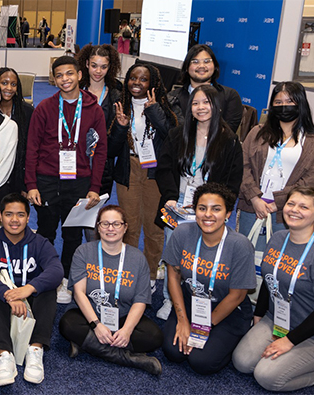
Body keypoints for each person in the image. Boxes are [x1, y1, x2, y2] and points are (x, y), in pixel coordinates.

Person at [233, 187, 314, 391]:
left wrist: (289, 341)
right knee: (242, 362)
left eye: (304, 207)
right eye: (291, 204)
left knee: (267, 376)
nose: (294, 210)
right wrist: (259, 315)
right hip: (278, 320)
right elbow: (270, 279)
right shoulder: (278, 238)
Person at [155, 85, 243, 319]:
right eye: (196, 103)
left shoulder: (229, 140)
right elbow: (164, 169)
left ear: (216, 106)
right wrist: (171, 197)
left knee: (205, 258)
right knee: (174, 257)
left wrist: (220, 209)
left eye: (206, 103)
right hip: (179, 205)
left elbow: (233, 180)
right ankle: (169, 300)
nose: (201, 107)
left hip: (209, 208)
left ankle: (202, 299)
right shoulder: (178, 134)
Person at [26, 56, 107, 305]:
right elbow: (32, 148)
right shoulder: (45, 108)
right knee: (47, 231)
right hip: (47, 179)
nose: (65, 79)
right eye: (59, 75)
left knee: (72, 235)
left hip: (79, 181)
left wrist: (94, 187)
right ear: (54, 78)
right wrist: (31, 185)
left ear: (80, 75)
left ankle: (64, 279)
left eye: (69, 74)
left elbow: (101, 150)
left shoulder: (94, 110)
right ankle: (46, 274)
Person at [160, 182, 255, 375]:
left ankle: (232, 339)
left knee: (201, 361)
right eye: (202, 208)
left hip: (228, 309)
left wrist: (202, 328)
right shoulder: (182, 233)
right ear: (195, 211)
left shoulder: (240, 245)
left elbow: (237, 296)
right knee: (173, 352)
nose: (208, 215)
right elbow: (173, 276)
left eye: (216, 209)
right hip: (191, 301)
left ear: (228, 213)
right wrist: (183, 320)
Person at [59, 205, 163, 375]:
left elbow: (140, 300)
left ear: (125, 227)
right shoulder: (83, 252)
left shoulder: (137, 258)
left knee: (154, 337)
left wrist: (127, 330)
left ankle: (88, 344)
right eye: (105, 224)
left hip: (123, 315)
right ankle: (130, 359)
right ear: (98, 227)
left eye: (116, 224)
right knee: (67, 324)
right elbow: (79, 293)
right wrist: (96, 324)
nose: (110, 228)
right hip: (90, 316)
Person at [0, 193, 63, 386]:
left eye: (20, 215)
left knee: (48, 291)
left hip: (31, 298)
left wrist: (29, 288)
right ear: (0, 216)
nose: (14, 220)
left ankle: (35, 349)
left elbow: (56, 270)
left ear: (28, 217)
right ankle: (4, 355)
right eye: (9, 214)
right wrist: (8, 294)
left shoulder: (40, 242)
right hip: (3, 299)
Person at [109, 63, 177, 288]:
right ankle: (127, 271)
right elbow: (111, 147)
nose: (136, 83)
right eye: (132, 78)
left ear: (153, 84)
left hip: (155, 171)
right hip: (129, 167)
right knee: (128, 224)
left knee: (153, 227)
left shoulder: (164, 106)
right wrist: (120, 127)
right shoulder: (120, 105)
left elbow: (172, 136)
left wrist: (154, 110)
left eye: (143, 79)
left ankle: (149, 274)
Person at [237, 82, 314, 249]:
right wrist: (255, 198)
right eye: (278, 102)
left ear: (300, 104)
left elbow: (313, 181)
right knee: (246, 256)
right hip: (252, 207)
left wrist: (278, 203)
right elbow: (242, 166)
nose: (283, 106)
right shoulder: (257, 132)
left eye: (289, 102)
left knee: (280, 261)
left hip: (289, 211)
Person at [76, 44, 122, 203]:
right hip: (76, 159)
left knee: (95, 213)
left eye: (103, 67)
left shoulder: (116, 96)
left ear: (110, 68)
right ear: (87, 64)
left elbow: (117, 135)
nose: (98, 71)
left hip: (103, 163)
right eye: (94, 65)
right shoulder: (76, 91)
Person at [168, 45, 243, 132]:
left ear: (215, 66)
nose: (201, 66)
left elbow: (228, 134)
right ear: (186, 68)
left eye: (207, 61)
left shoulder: (230, 96)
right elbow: (171, 132)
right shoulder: (173, 97)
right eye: (195, 62)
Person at [0, 67, 34, 197]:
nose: (9, 88)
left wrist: (26, 184)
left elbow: (31, 150)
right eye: (4, 83)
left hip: (18, 176)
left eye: (13, 84)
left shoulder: (27, 112)